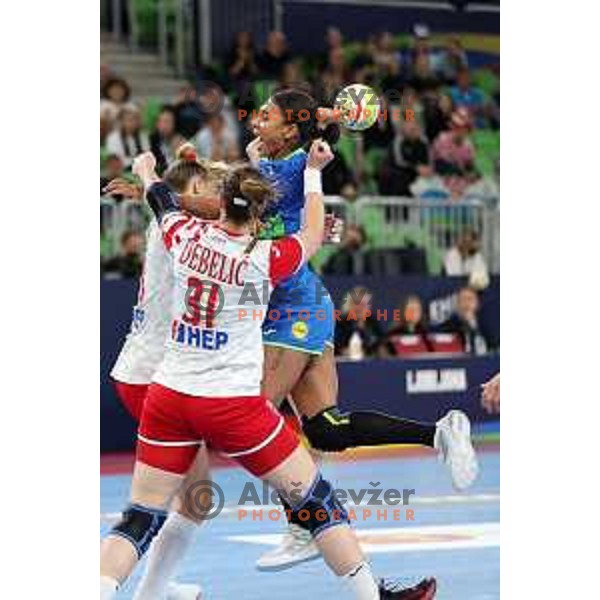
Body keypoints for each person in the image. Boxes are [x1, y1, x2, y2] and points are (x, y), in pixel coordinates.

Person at [100, 148, 437, 600]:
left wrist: (146, 175)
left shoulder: (181, 234)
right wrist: (312, 176)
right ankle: (368, 593)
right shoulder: (263, 258)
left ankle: (132, 589)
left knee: (149, 513)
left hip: (170, 390)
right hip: (223, 399)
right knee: (313, 498)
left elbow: (168, 201)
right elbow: (309, 232)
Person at [246, 89, 478, 571]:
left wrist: (324, 132)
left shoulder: (292, 166)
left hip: (295, 309)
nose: (254, 122)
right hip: (303, 304)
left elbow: (297, 163)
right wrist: (323, 119)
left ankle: (305, 520)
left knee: (253, 417)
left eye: (264, 116)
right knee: (326, 431)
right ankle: (440, 432)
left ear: (289, 129)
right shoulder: (275, 160)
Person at [104, 147, 223, 600]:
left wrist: (148, 188)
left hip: (146, 371)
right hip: (154, 378)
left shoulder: (170, 221)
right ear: (190, 192)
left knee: (194, 495)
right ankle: (145, 591)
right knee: (180, 499)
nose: (217, 197)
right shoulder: (183, 227)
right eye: (208, 189)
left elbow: (177, 199)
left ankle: (156, 587)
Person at [334, 287, 387, 359]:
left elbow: (381, 343)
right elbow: (334, 346)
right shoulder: (341, 323)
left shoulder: (372, 323)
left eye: (363, 304)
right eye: (356, 304)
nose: (359, 308)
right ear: (349, 305)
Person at [439, 286, 492, 355]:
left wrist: (472, 324)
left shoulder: (488, 326)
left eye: (470, 299)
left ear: (477, 303)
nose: (466, 303)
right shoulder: (447, 327)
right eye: (462, 299)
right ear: (457, 304)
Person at [105, 103, 150, 168]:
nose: (133, 123)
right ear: (121, 121)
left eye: (135, 119)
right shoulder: (113, 138)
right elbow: (115, 160)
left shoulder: (143, 137)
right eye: (129, 120)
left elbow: (146, 156)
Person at [149, 105, 184, 174]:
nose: (163, 126)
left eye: (167, 121)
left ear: (175, 123)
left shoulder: (181, 142)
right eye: (160, 121)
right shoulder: (152, 140)